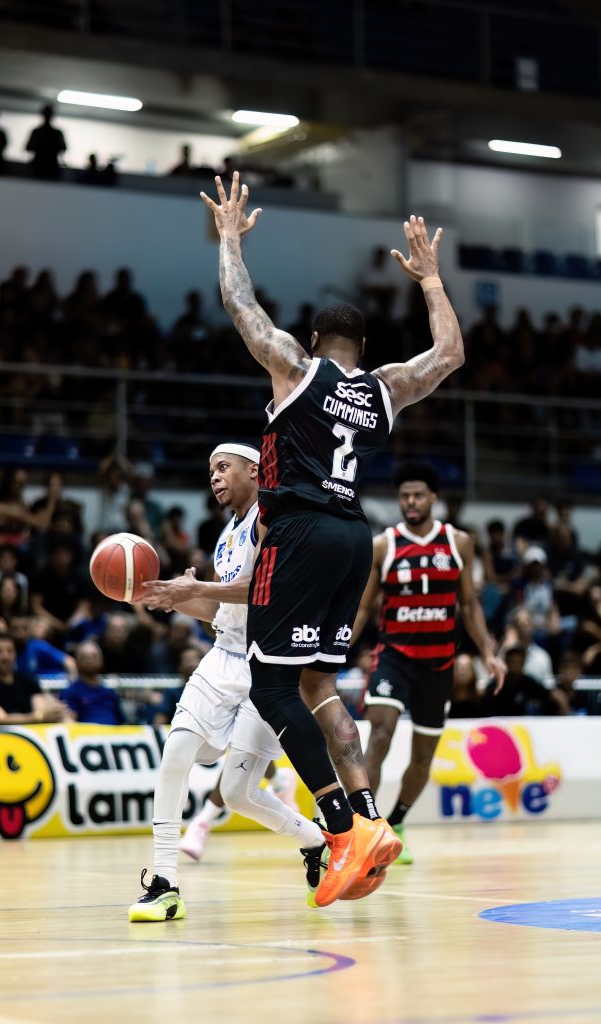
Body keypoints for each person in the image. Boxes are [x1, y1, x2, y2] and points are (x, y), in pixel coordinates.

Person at [200, 171, 465, 905]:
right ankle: (371, 818)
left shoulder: (295, 368)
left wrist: (230, 238)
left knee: (270, 684)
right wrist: (432, 280)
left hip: (300, 532)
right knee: (318, 684)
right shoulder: (383, 388)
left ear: (317, 341)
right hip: (355, 536)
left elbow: (240, 306)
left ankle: (340, 828)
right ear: (364, 345)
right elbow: (448, 355)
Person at [128, 443, 326, 921]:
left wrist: (195, 587)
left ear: (255, 471)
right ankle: (165, 883)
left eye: (223, 468)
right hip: (223, 657)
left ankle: (316, 840)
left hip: (268, 664)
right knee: (175, 753)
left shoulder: (272, 519)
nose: (215, 477)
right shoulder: (227, 533)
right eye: (210, 471)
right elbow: (221, 607)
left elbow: (265, 589)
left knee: (238, 793)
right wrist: (169, 597)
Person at [351, 461, 505, 864]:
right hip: (393, 658)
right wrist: (339, 646)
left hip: (438, 665)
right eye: (405, 496)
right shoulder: (384, 545)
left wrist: (488, 652)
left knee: (423, 757)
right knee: (380, 734)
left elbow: (469, 604)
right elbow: (364, 607)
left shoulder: (458, 543)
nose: (411, 502)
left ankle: (398, 821)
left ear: (433, 497)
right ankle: (363, 827)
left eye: (418, 495)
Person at [0, 634, 69, 725]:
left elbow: (41, 707)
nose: (5, 656)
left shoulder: (25, 680)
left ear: (15, 654)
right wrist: (40, 717)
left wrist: (55, 712)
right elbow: (0, 719)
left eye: (9, 651)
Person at [60, 641, 127, 725]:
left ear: (102, 660)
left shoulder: (109, 692)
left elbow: (122, 721)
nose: (91, 660)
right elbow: (69, 721)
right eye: (86, 657)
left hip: (114, 732)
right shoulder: (70, 692)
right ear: (77, 662)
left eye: (94, 656)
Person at [25, 105, 66, 180]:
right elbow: (63, 148)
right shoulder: (56, 133)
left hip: (43, 166)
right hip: (45, 166)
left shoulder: (37, 132)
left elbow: (28, 148)